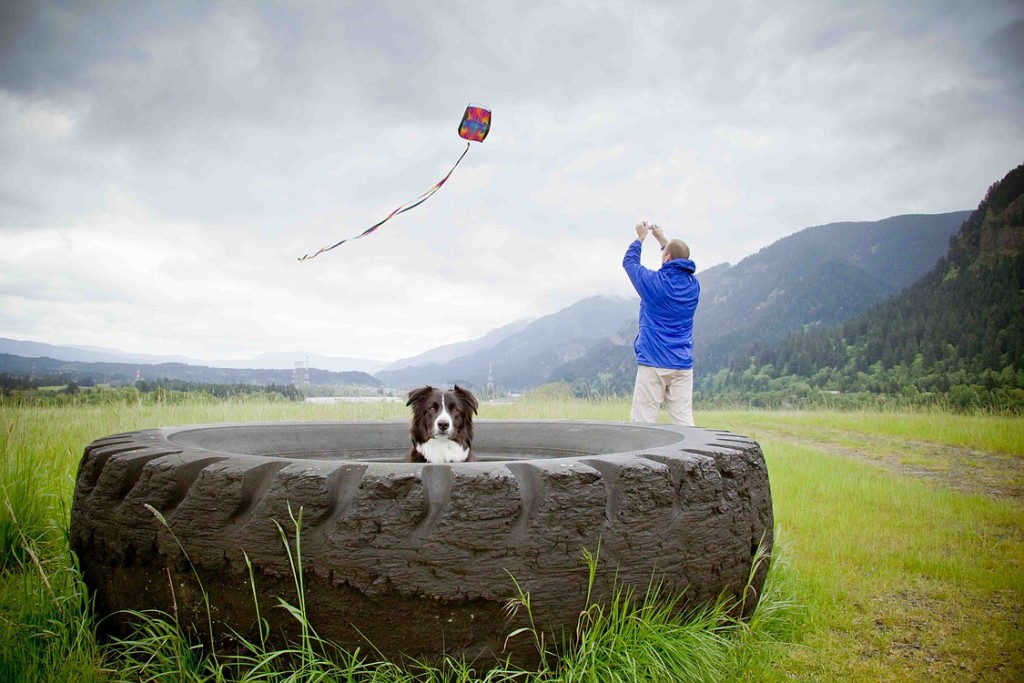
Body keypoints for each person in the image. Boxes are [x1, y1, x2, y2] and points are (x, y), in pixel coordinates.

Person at [622, 221, 700, 426]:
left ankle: (641, 459)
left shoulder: (653, 283)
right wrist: (664, 241)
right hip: (682, 363)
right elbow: (677, 259)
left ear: (667, 258)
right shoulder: (694, 287)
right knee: (684, 421)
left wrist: (640, 238)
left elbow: (630, 263)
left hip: (653, 361)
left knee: (643, 422)